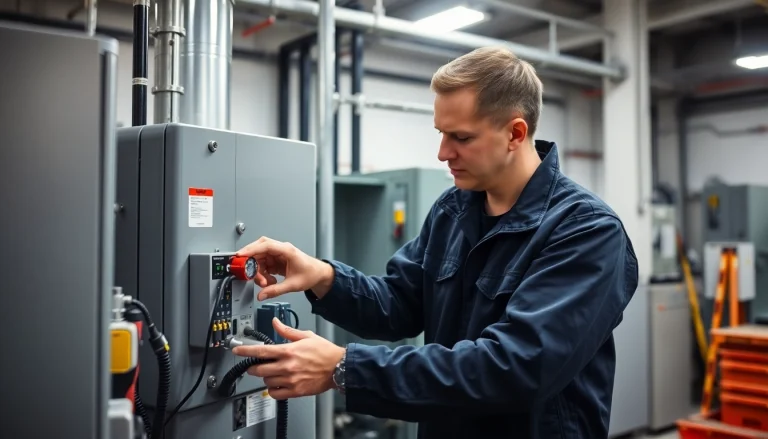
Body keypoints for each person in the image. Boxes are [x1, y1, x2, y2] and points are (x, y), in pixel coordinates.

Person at [232, 46, 639, 438]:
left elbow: (518, 367)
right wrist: (321, 275)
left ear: (515, 133)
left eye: (461, 137)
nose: (443, 153)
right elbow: (397, 306)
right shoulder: (454, 210)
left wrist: (345, 367)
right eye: (442, 133)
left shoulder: (585, 230)